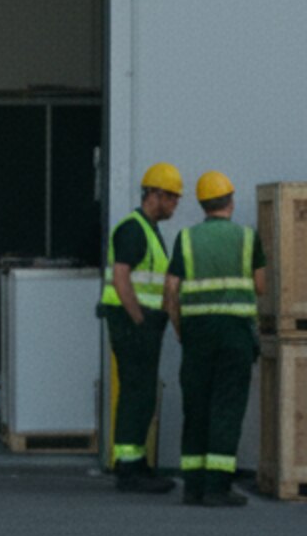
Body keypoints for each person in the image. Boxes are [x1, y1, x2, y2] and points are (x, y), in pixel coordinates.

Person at [164, 170, 266, 508]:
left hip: (197, 335)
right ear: (231, 201)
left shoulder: (186, 239)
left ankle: (192, 486)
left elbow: (170, 292)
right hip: (234, 333)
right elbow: (261, 286)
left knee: (196, 407)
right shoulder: (247, 238)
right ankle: (217, 487)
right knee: (226, 407)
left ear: (202, 204)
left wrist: (181, 331)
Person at [99, 161, 182, 493]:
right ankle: (129, 469)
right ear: (156, 195)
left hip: (141, 325)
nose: (175, 205)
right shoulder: (134, 229)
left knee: (142, 395)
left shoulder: (148, 229)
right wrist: (140, 320)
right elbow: (121, 279)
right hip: (132, 324)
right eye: (173, 198)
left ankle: (135, 462)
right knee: (137, 394)